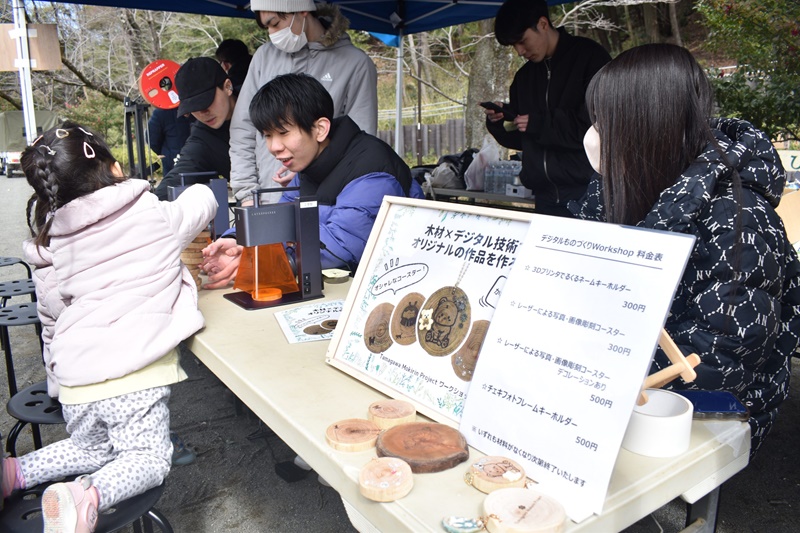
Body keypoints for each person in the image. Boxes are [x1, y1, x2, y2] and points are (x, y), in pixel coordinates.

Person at [570, 44, 800, 456]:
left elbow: (717, 365)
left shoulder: (738, 220)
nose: (594, 135)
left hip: (704, 413)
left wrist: (589, 375)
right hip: (614, 379)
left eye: (605, 121)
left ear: (645, 127)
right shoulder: (615, 193)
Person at [1, 121, 217, 531]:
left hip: (75, 380)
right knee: (148, 458)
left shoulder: (53, 246)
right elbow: (200, 202)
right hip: (131, 375)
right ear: (115, 169)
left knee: (90, 446)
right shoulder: (151, 215)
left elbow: (50, 319)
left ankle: (15, 474)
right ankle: (86, 496)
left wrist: (56, 381)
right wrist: (208, 188)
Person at [201, 73, 424, 289]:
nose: (274, 147)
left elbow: (341, 248)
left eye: (283, 132)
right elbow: (280, 218)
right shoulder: (310, 162)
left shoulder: (372, 170)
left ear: (320, 129)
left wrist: (260, 262)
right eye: (268, 135)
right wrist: (239, 242)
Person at [230, 0, 378, 206]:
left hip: (327, 203)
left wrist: (308, 171)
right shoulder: (264, 57)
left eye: (275, 24)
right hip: (266, 201)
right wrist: (247, 194)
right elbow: (242, 130)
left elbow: (362, 142)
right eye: (267, 27)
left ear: (302, 10)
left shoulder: (356, 63)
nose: (272, 33)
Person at [484, 0, 610, 217]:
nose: (520, 52)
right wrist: (499, 123)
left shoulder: (591, 58)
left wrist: (539, 123)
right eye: (514, 46)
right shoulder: (523, 78)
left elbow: (597, 127)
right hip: (544, 197)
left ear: (543, 24)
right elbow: (523, 139)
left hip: (589, 193)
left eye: (522, 41)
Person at [153, 57, 242, 201]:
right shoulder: (203, 137)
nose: (202, 112)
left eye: (206, 102)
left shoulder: (260, 104)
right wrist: (148, 208)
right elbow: (178, 174)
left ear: (227, 86)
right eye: (194, 108)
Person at [147, 107, 192, 176]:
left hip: (176, 161)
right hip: (175, 163)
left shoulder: (161, 112)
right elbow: (152, 139)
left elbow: (152, 139)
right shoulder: (162, 112)